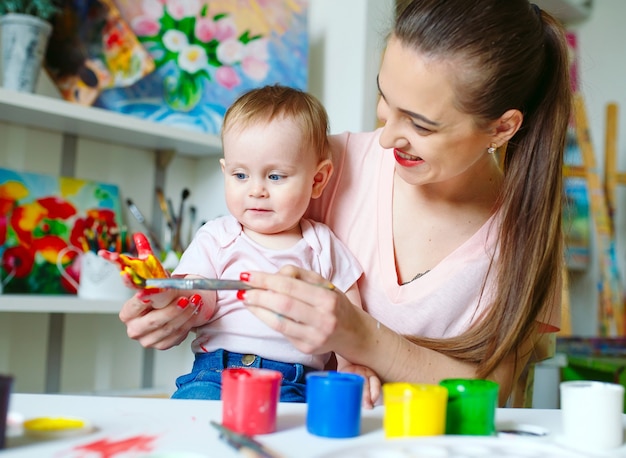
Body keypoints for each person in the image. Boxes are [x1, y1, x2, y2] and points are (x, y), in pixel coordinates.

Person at [118, 0, 571, 406]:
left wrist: (360, 338)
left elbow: (492, 391)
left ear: (502, 128)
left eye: (420, 124)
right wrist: (172, 312)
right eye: (384, 98)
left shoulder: (526, 236)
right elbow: (222, 260)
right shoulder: (310, 166)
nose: (388, 137)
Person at [109, 85, 380, 404]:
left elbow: (347, 315)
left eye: (275, 177)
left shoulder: (321, 244)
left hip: (293, 384)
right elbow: (199, 298)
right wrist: (165, 292)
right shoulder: (217, 236)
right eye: (240, 175)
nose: (256, 190)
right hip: (215, 375)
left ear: (317, 180)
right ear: (225, 171)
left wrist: (351, 364)